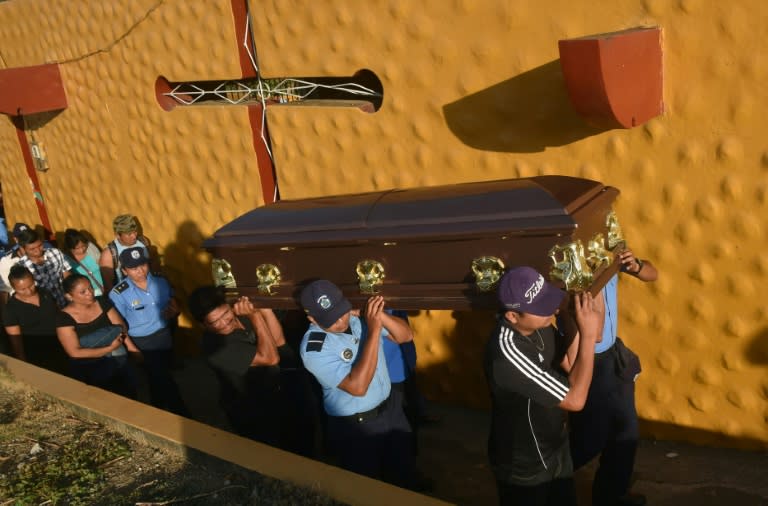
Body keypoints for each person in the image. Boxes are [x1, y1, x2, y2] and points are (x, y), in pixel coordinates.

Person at [484, 266, 603, 506]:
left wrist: (571, 319)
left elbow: (571, 364)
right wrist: (588, 336)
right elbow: (575, 399)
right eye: (541, 307)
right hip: (524, 465)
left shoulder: (540, 325)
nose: (551, 308)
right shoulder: (507, 354)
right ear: (512, 316)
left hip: (556, 446)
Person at [298, 279, 420, 489]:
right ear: (312, 319)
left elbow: (405, 336)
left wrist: (378, 316)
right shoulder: (313, 348)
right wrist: (373, 329)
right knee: (366, 487)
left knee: (402, 474)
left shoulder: (356, 320)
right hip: (357, 427)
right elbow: (358, 387)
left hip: (390, 411)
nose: (340, 321)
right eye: (331, 319)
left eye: (341, 311)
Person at [567, 247, 658, 506]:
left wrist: (636, 264)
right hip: (587, 361)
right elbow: (594, 333)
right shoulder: (568, 262)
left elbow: (653, 274)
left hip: (613, 356)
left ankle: (610, 496)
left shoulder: (607, 250)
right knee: (589, 440)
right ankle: (541, 482)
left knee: (626, 432)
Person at [188, 285, 317, 456]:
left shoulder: (241, 317)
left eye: (225, 313)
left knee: (301, 444)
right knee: (274, 455)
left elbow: (278, 341)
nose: (224, 322)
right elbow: (270, 358)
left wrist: (264, 310)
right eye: (214, 321)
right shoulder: (214, 347)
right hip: (254, 411)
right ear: (203, 324)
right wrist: (256, 316)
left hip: (278, 396)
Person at [109, 247, 188, 416]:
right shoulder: (118, 293)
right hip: (143, 342)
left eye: (143, 265)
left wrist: (175, 310)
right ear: (124, 270)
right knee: (165, 379)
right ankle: (183, 415)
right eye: (134, 268)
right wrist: (132, 348)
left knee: (157, 379)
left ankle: (156, 410)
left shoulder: (161, 281)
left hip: (164, 335)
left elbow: (173, 301)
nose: (140, 271)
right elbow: (118, 324)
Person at [55, 273, 139, 398]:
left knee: (129, 392)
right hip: (91, 366)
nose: (90, 293)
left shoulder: (102, 302)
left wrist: (131, 348)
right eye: (83, 292)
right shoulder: (63, 318)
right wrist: (109, 348)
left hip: (117, 357)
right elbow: (75, 352)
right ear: (69, 296)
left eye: (90, 288)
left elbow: (121, 328)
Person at [2, 264, 69, 375]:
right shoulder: (11, 310)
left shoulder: (44, 293)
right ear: (13, 288)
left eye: (31, 285)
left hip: (62, 346)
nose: (29, 291)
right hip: (38, 355)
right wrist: (25, 365)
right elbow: (16, 342)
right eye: (22, 289)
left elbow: (59, 316)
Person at [16, 228, 71, 307]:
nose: (38, 250)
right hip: (46, 309)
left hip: (66, 302)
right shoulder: (21, 267)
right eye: (32, 249)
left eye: (40, 245)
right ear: (23, 248)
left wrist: (70, 292)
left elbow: (66, 274)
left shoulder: (55, 252)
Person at [99, 214, 153, 292]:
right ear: (118, 235)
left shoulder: (143, 241)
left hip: (148, 287)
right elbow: (108, 284)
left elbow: (151, 263)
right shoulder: (109, 253)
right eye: (129, 234)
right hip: (127, 293)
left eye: (135, 232)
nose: (134, 236)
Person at [63, 229, 105, 296]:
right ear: (70, 248)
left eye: (83, 246)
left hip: (106, 287)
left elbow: (103, 265)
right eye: (77, 248)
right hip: (89, 294)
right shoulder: (66, 259)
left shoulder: (90, 247)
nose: (82, 250)